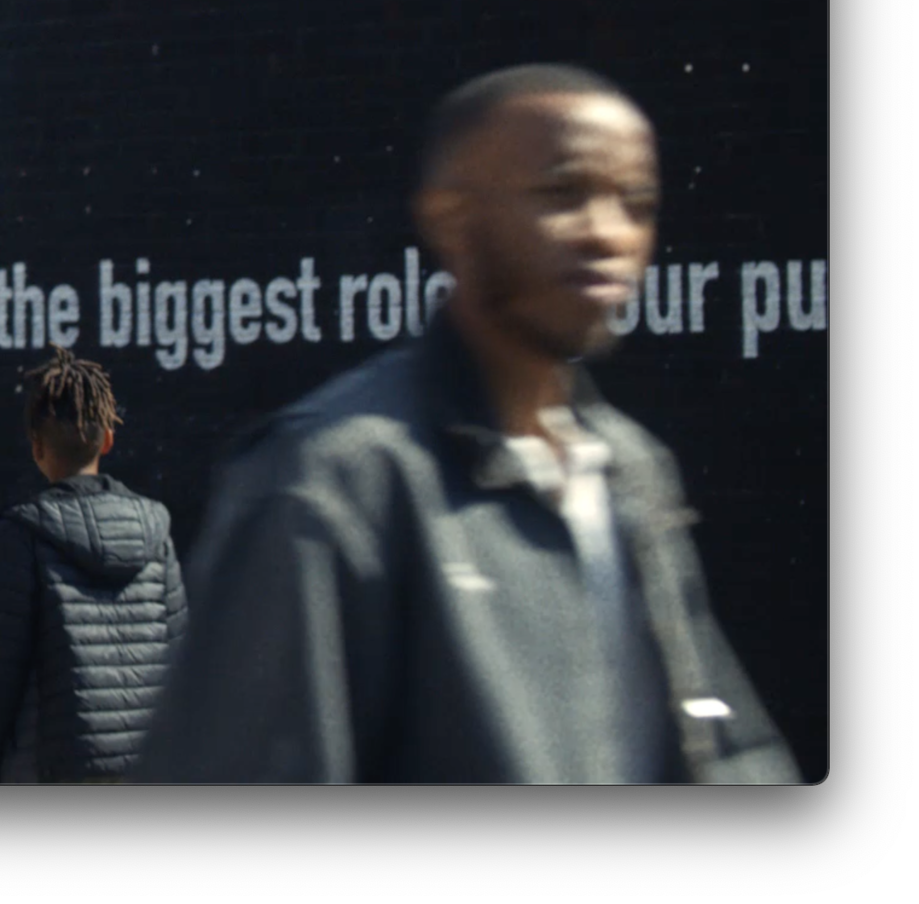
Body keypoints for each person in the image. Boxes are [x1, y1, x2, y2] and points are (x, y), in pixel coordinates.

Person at [135, 65, 799, 782]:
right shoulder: (334, 484)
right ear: (450, 218)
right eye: (562, 194)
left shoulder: (632, 471)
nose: (608, 233)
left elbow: (731, 753)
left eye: (637, 203)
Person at [0, 349, 184, 783]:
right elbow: (183, 669)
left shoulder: (19, 537)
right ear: (108, 440)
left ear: (36, 447)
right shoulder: (157, 536)